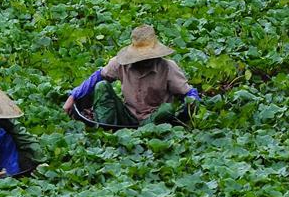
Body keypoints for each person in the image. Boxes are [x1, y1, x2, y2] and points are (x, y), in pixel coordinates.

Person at [63, 24, 200, 126]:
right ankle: (106, 128)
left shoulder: (168, 67)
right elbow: (98, 76)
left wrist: (192, 104)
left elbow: (188, 93)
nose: (146, 60)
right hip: (128, 114)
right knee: (101, 86)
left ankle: (144, 131)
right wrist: (73, 95)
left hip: (154, 119)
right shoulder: (121, 63)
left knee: (167, 109)